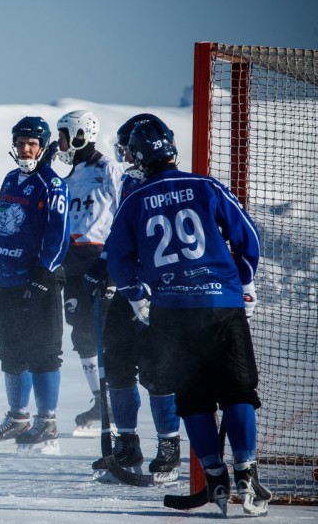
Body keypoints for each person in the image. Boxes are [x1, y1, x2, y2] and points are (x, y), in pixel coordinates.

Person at [106, 117, 271, 516]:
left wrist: (134, 295)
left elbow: (117, 257)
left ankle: (215, 476)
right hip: (220, 303)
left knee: (193, 398)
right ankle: (246, 472)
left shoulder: (135, 198)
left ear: (142, 156)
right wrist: (243, 283)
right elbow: (248, 236)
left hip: (172, 311)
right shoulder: (206, 186)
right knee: (237, 391)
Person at [86, 114, 181, 481]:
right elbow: (120, 233)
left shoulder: (169, 185)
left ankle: (169, 446)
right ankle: (127, 442)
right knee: (118, 366)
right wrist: (106, 261)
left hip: (160, 294)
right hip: (127, 291)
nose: (125, 157)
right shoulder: (129, 183)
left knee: (159, 373)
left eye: (129, 150)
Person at [0, 116, 70, 453]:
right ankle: (18, 418)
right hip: (10, 278)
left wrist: (44, 273)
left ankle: (47, 423)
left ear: (43, 148)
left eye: (31, 144)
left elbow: (59, 236)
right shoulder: (10, 180)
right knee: (12, 351)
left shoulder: (52, 183)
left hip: (39, 280)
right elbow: (4, 225)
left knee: (44, 352)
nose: (25, 149)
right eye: (20, 143)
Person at [55, 110, 125, 435]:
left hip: (101, 263)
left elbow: (125, 210)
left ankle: (120, 405)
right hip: (72, 268)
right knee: (81, 334)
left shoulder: (107, 168)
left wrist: (112, 263)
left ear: (81, 134)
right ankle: (101, 399)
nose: (60, 143)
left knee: (107, 335)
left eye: (64, 135)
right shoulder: (67, 179)